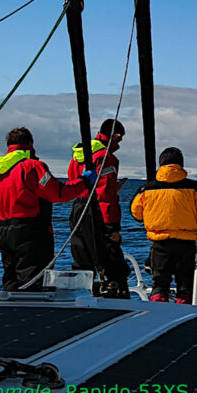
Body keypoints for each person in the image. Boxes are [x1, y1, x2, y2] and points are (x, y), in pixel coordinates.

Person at [0, 127, 94, 291]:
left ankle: (9, 312)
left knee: (11, 283)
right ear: (30, 144)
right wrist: (83, 181)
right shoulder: (32, 167)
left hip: (4, 233)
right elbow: (58, 193)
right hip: (30, 233)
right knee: (33, 283)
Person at [129, 147, 197, 303]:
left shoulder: (146, 189)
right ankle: (184, 311)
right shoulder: (194, 188)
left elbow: (136, 214)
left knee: (159, 284)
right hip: (185, 242)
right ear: (180, 164)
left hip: (159, 242)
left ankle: (158, 311)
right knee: (184, 285)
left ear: (161, 163)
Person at [67, 118, 130, 298]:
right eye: (120, 139)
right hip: (96, 211)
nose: (119, 144)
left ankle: (80, 298)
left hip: (78, 208)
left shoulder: (78, 154)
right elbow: (106, 196)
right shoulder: (105, 157)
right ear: (115, 136)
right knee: (112, 262)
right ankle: (118, 302)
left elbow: (77, 183)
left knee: (82, 259)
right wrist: (113, 228)